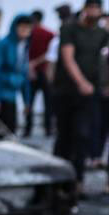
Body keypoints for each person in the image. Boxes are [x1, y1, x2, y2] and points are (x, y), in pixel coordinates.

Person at [52, 1, 108, 190]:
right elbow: (68, 58)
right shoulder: (69, 29)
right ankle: (57, 180)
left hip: (89, 94)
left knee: (83, 135)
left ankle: (78, 180)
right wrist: (81, 82)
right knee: (64, 136)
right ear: (84, 9)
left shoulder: (102, 34)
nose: (94, 11)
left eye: (97, 8)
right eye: (91, 7)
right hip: (66, 91)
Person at [0, 14, 35, 132]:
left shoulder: (24, 46)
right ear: (15, 27)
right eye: (22, 27)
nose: (25, 31)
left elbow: (24, 74)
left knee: (12, 129)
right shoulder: (2, 45)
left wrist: (27, 101)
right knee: (3, 130)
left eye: (28, 28)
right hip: (2, 95)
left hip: (13, 95)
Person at [27, 10, 57, 136]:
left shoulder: (31, 34)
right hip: (43, 71)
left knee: (30, 101)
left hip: (34, 71)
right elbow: (51, 53)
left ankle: (28, 129)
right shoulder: (49, 34)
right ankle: (47, 128)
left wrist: (32, 64)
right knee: (46, 102)